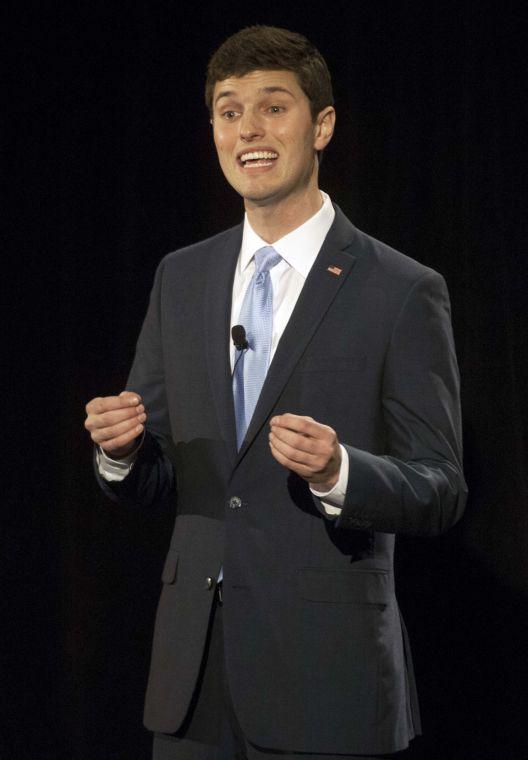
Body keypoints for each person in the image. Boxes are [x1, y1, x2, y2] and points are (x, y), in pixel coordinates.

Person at [84, 25, 467, 760]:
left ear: (322, 125)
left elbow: (442, 487)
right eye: (229, 111)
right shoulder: (182, 277)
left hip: (327, 678)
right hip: (193, 678)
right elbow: (163, 475)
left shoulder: (401, 290)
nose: (248, 130)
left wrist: (338, 472)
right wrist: (122, 454)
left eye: (273, 107)